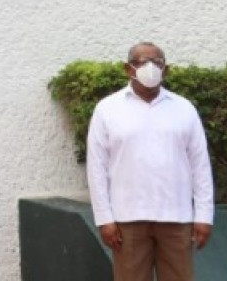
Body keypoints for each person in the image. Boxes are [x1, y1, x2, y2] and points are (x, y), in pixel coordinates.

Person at [86, 42, 214, 281]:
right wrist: (104, 219)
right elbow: (96, 168)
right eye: (143, 62)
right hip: (127, 220)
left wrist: (204, 216)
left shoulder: (184, 109)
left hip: (177, 217)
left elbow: (200, 166)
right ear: (128, 68)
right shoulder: (107, 110)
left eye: (157, 62)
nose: (150, 67)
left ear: (166, 70)